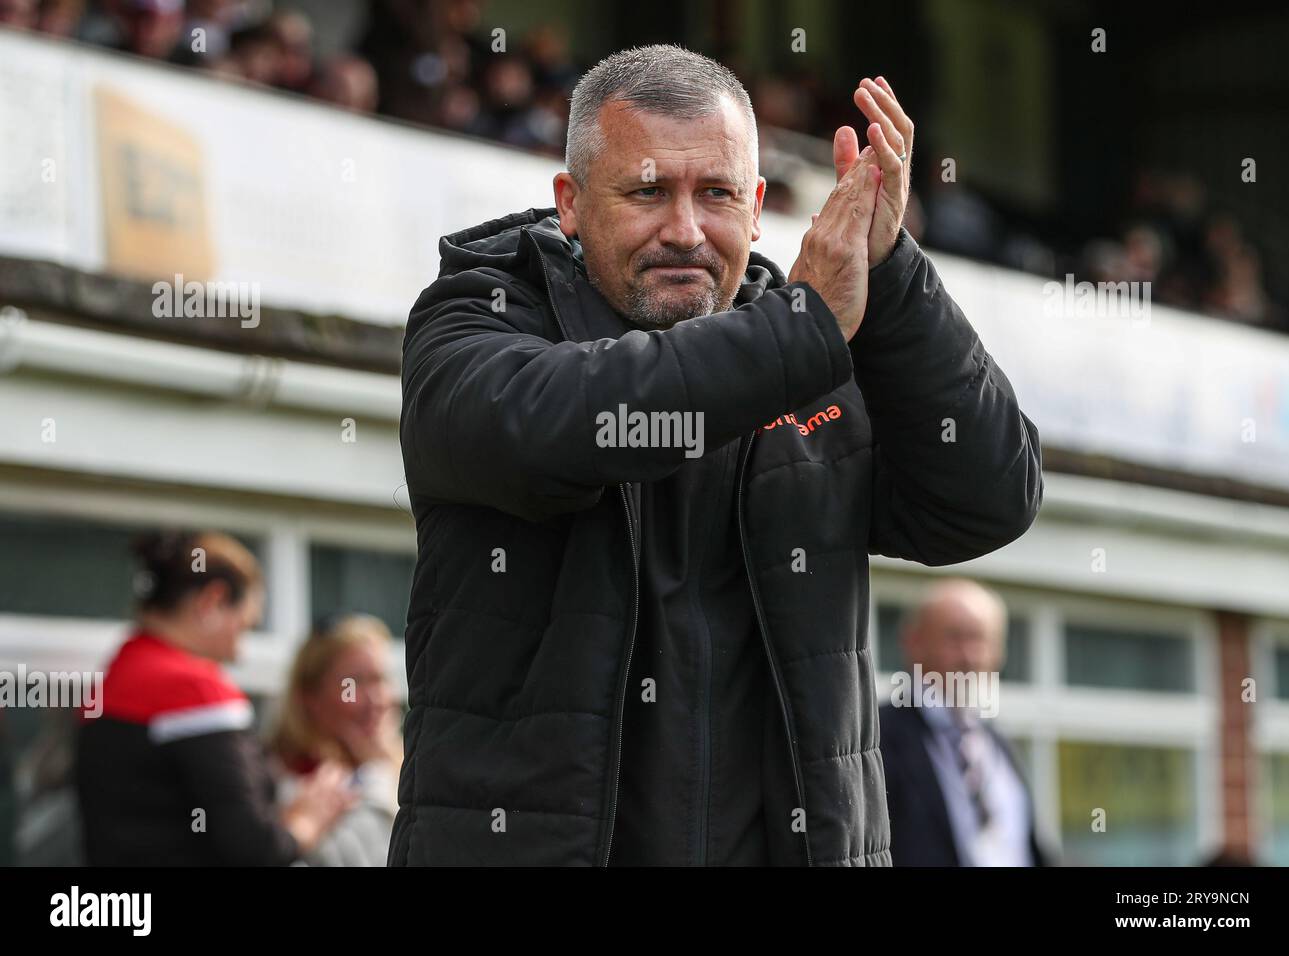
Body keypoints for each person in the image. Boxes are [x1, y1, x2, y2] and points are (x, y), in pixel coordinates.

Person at [392, 44, 1042, 867]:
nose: (686, 231)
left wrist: (894, 274)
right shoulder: (476, 318)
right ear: (570, 202)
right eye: (649, 192)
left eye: (718, 195)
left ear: (759, 204)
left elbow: (987, 497)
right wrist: (804, 329)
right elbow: (550, 425)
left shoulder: (814, 349)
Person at [76, 531, 355, 866]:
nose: (239, 652)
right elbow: (253, 851)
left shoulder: (116, 673)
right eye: (245, 626)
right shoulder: (194, 690)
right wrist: (306, 820)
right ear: (212, 601)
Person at [878, 579, 1052, 866]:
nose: (970, 656)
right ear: (914, 643)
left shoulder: (996, 741)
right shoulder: (877, 738)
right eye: (955, 637)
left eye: (982, 639)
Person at [268, 613, 403, 867]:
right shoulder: (289, 781)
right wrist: (379, 772)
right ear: (309, 697)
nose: (376, 699)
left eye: (380, 679)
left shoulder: (407, 768)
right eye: (354, 683)